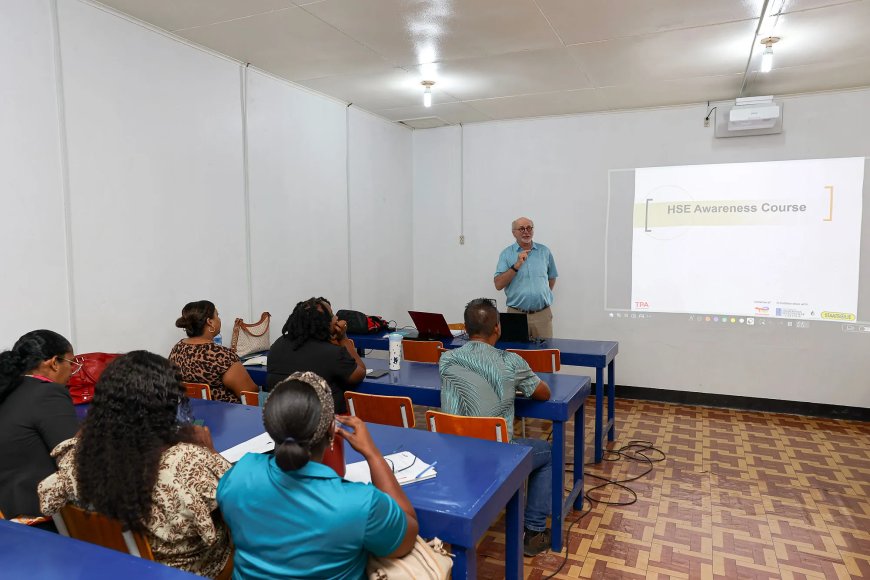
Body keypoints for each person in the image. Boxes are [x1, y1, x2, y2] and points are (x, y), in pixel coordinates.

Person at [39, 351, 233, 578]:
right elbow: (241, 500)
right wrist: (212, 453)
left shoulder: (76, 455)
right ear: (167, 404)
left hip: (109, 567)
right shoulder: (186, 461)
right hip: (187, 571)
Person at [218, 371, 418, 579]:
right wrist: (373, 454)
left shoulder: (238, 474)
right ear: (332, 431)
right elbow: (407, 536)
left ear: (272, 427)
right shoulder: (359, 502)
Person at [439, 298, 554, 556]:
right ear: (498, 329)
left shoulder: (447, 361)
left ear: (466, 330)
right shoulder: (510, 361)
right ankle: (534, 531)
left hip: (456, 451)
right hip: (497, 455)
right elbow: (543, 394)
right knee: (548, 452)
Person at [0, 330, 79, 528]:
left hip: (7, 511)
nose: (72, 371)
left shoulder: (8, 389)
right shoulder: (48, 393)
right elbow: (73, 458)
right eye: (71, 363)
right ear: (54, 362)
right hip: (37, 516)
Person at [266, 297, 365, 413]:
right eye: (332, 315)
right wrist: (343, 338)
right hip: (325, 422)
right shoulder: (332, 353)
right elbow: (360, 372)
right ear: (324, 323)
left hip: (283, 419)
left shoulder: (276, 346)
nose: (337, 318)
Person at [170, 300, 258, 403]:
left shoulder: (177, 349)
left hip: (190, 414)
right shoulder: (222, 356)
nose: (219, 319)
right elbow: (250, 393)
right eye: (217, 315)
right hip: (227, 416)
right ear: (210, 322)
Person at [494, 216, 558, 339]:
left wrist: (541, 294)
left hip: (542, 315)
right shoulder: (506, 254)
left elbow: (552, 278)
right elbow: (498, 284)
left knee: (544, 354)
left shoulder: (544, 252)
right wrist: (516, 265)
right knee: (516, 354)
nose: (526, 231)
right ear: (514, 233)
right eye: (521, 229)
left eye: (529, 228)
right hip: (516, 315)